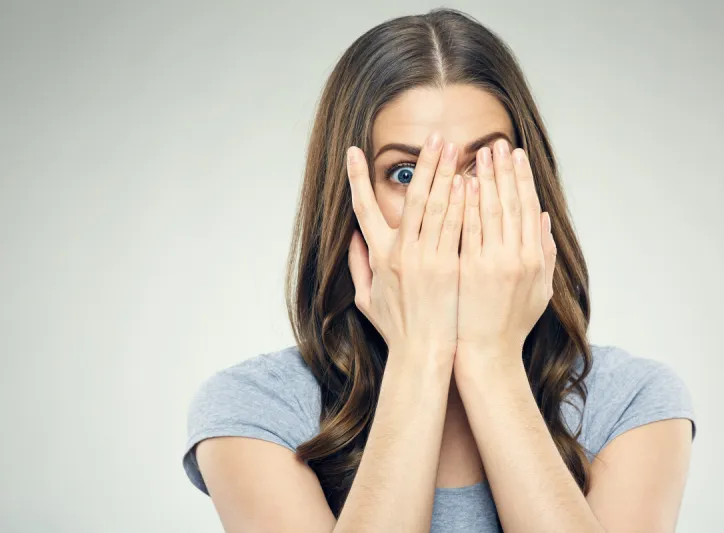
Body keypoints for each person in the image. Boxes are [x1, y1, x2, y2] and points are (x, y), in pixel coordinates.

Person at [182, 8, 696, 533]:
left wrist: (489, 359)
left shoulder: (631, 401)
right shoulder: (258, 409)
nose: (446, 203)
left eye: (485, 164)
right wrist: (420, 353)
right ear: (349, 202)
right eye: (407, 173)